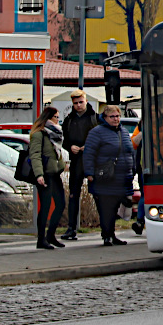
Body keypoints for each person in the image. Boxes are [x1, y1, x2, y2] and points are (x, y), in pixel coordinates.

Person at [83, 105, 135, 246]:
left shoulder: (123, 132)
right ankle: (107, 235)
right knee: (106, 207)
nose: (116, 119)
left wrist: (133, 169)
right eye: (112, 116)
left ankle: (111, 234)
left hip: (122, 178)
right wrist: (89, 173)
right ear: (105, 118)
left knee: (115, 207)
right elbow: (89, 153)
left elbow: (129, 152)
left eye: (117, 116)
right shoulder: (97, 132)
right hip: (104, 177)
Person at [60, 90, 98, 241]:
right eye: (75, 103)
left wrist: (87, 147)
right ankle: (71, 228)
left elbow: (100, 137)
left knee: (97, 193)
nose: (78, 105)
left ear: (86, 101)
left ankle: (106, 229)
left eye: (80, 102)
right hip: (76, 161)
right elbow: (64, 140)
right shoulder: (69, 120)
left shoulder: (94, 118)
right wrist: (70, 147)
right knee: (73, 195)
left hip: (92, 160)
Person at [30, 105, 67, 250]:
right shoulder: (39, 134)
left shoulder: (55, 134)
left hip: (55, 173)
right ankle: (41, 239)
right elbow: (35, 155)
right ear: (49, 118)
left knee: (60, 203)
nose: (58, 120)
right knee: (45, 207)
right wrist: (39, 174)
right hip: (44, 174)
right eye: (56, 117)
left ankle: (51, 235)